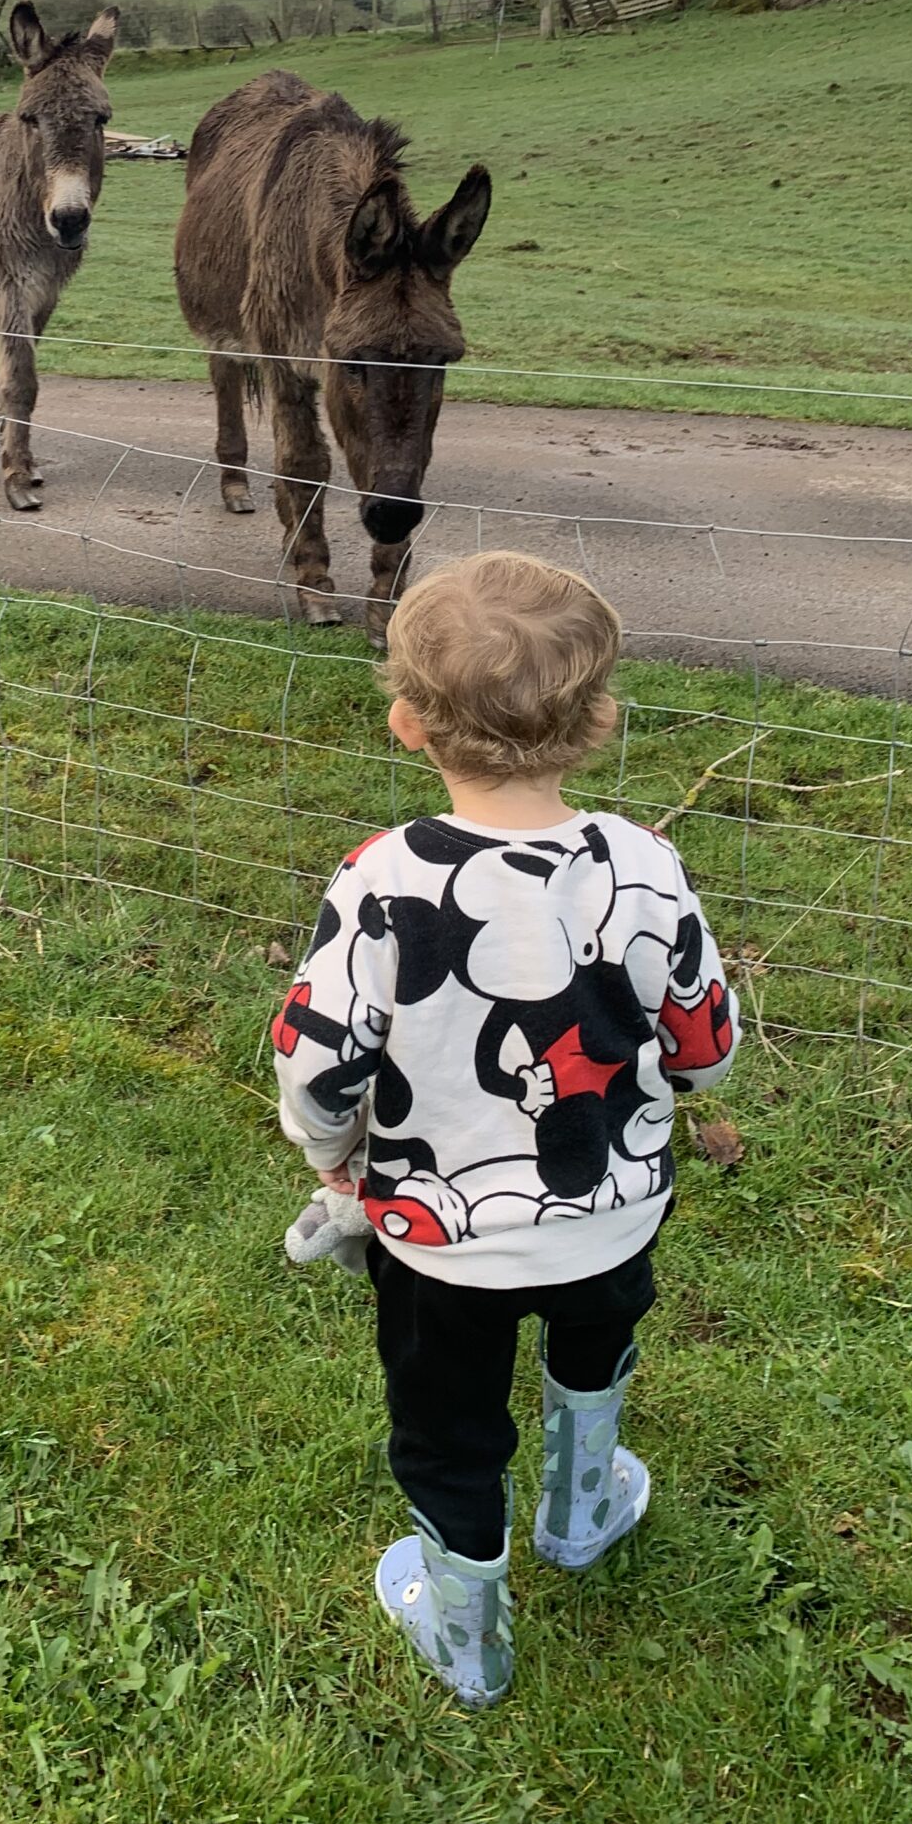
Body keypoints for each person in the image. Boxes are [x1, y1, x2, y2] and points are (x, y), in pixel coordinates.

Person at [270, 550, 739, 1708]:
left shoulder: (383, 882)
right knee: (594, 1351)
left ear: (406, 722)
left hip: (439, 1237)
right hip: (614, 1215)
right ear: (600, 720)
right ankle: (583, 1510)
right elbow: (707, 1043)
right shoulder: (645, 864)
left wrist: (331, 1154)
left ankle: (466, 1637)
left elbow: (317, 1055)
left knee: (448, 1425)